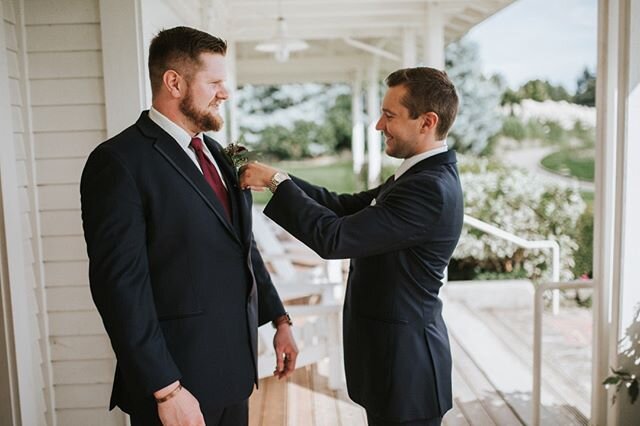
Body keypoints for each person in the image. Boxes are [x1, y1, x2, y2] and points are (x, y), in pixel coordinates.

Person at [80, 26, 298, 426]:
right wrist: (166, 388)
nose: (225, 93)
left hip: (236, 375)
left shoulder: (217, 152)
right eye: (214, 82)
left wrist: (278, 319)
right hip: (177, 387)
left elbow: (241, 245)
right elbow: (119, 288)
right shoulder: (118, 163)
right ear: (174, 82)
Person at [240, 67, 464, 426]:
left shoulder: (429, 189)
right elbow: (342, 206)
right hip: (389, 364)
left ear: (427, 122)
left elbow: (335, 238)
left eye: (389, 116)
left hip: (407, 372)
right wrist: (275, 178)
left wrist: (277, 182)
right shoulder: (417, 175)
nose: (378, 125)